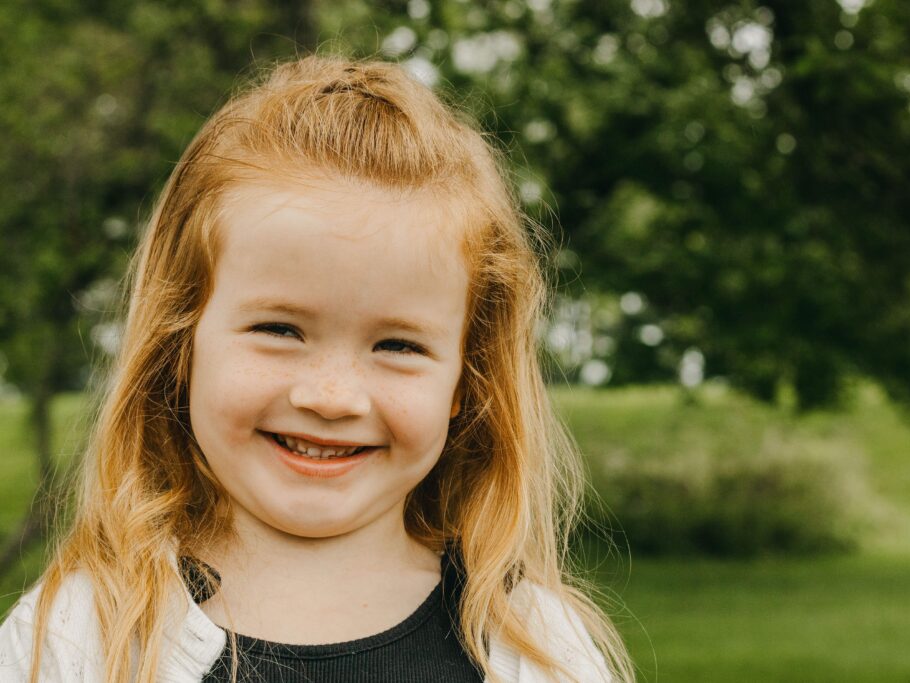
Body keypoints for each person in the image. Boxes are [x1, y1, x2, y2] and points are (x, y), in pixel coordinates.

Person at [0, 56, 633, 682]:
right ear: (180, 347)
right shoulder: (76, 639)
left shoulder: (532, 649)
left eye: (398, 346)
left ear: (466, 383)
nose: (332, 397)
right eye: (279, 330)